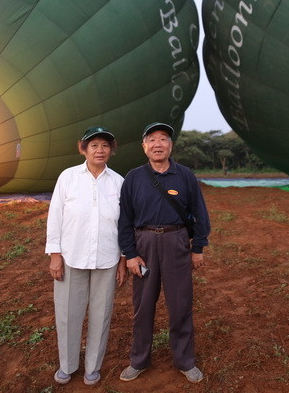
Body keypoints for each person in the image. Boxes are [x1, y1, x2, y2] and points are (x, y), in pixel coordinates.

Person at [118, 122, 211, 384]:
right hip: (144, 244)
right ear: (144, 146)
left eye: (163, 139)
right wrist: (130, 254)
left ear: (171, 145)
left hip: (176, 242)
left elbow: (200, 213)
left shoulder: (185, 176)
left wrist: (198, 248)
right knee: (143, 305)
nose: (157, 144)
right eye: (152, 140)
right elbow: (125, 220)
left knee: (180, 304)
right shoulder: (134, 178)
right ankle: (139, 360)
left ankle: (184, 360)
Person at [45, 126, 127, 386]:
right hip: (72, 256)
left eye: (105, 145)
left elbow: (126, 223)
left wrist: (124, 259)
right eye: (94, 145)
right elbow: (55, 216)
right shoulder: (68, 177)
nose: (100, 150)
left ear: (111, 150)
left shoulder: (118, 182)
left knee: (101, 314)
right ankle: (67, 365)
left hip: (107, 258)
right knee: (68, 313)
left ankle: (93, 367)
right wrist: (55, 255)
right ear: (83, 148)